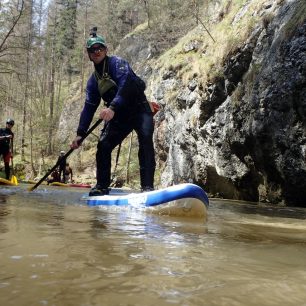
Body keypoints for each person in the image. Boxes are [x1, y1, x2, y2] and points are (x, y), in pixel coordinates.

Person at [71, 27, 156, 196]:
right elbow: (89, 107)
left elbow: (126, 84)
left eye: (100, 48)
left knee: (145, 140)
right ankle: (102, 186)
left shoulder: (118, 63)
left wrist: (112, 107)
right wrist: (80, 133)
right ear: (88, 54)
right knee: (103, 146)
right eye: (93, 50)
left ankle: (147, 187)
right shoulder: (92, 82)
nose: (97, 52)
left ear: (105, 50)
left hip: (139, 109)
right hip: (119, 116)